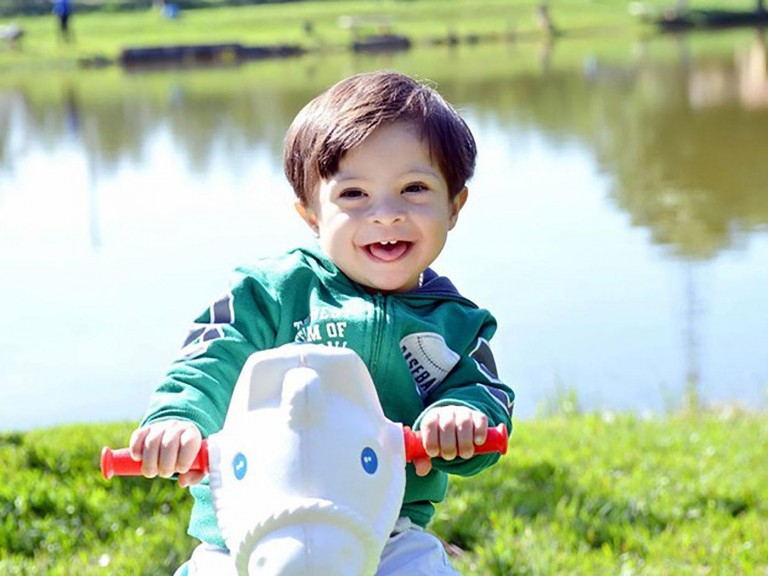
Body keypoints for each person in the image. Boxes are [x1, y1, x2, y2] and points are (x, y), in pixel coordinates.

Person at [128, 70, 515, 575]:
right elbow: (208, 359)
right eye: (353, 194)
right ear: (311, 214)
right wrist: (177, 420)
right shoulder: (270, 294)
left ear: (455, 205)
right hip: (244, 526)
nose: (386, 214)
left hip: (380, 531)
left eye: (414, 188)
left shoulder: (455, 325)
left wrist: (462, 419)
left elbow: (486, 397)